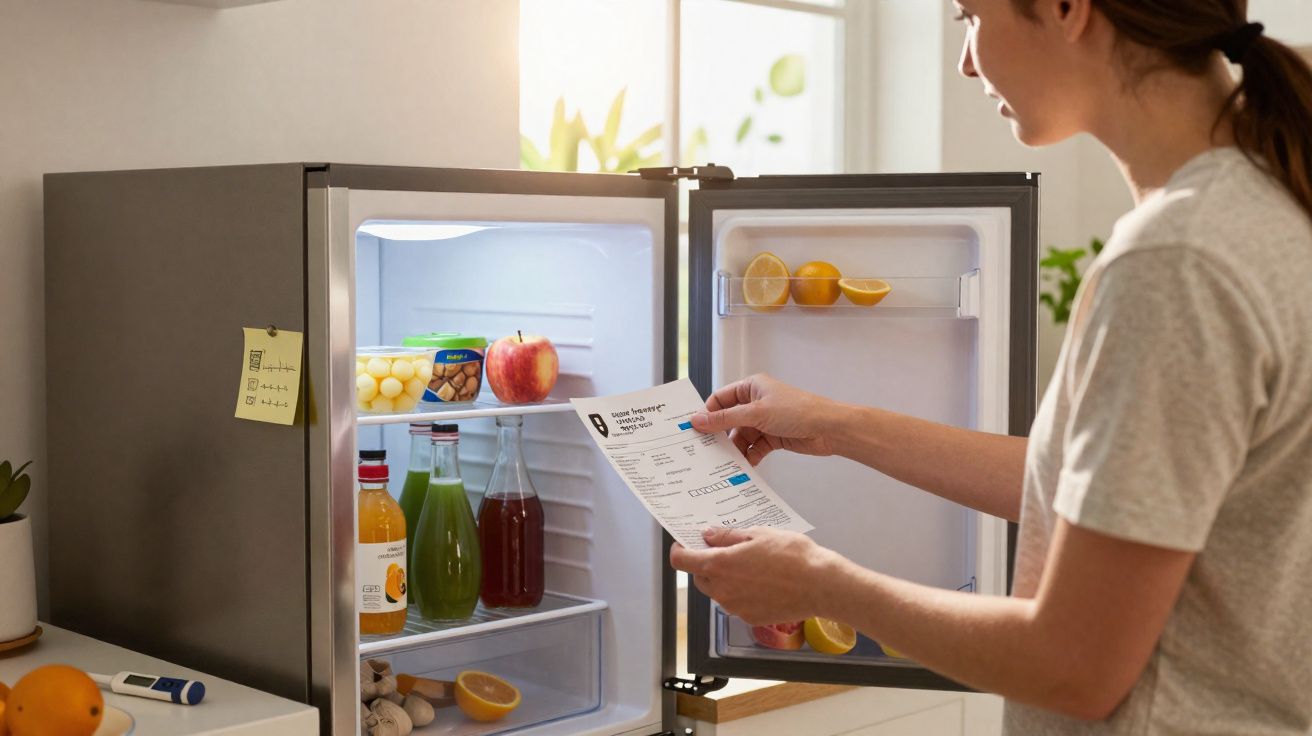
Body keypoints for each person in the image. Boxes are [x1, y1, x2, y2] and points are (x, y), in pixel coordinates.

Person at [669, 1, 1312, 733]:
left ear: (1069, 9)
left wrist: (826, 586)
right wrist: (836, 425)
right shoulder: (1264, 208)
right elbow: (1101, 497)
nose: (966, 62)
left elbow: (1072, 666)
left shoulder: (1177, 261)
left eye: (970, 17)